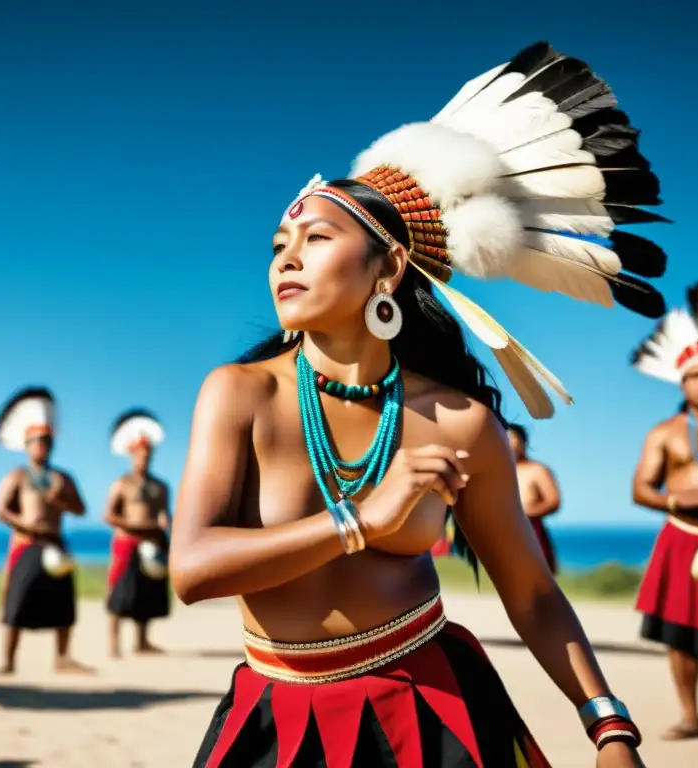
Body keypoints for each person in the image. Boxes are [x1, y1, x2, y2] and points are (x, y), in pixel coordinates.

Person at [172, 42, 666, 768]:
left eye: (317, 238)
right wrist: (362, 520)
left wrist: (609, 725)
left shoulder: (463, 423)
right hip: (278, 715)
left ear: (389, 268)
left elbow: (530, 594)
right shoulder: (240, 393)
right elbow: (192, 569)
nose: (287, 257)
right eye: (281, 244)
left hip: (431, 709)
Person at [631, 281, 698, 741]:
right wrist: (680, 499)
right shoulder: (664, 432)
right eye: (696, 375)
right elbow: (640, 489)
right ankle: (690, 715)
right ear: (682, 380)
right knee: (680, 633)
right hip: (681, 539)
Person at [0, 386, 93, 675]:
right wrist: (25, 525)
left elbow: (80, 509)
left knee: (63, 605)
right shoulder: (18, 476)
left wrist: (61, 500)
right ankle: (9, 661)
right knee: (17, 603)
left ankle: (63, 658)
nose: (42, 446)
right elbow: (0, 510)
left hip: (56, 545)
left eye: (47, 441)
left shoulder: (62, 478)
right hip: (27, 544)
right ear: (27, 444)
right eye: (37, 441)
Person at [104, 410, 171, 657]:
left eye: (147, 454)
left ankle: (142, 641)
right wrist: (130, 525)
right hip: (127, 542)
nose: (143, 458)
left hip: (151, 544)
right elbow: (109, 514)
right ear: (132, 455)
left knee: (147, 594)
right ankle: (114, 643)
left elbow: (165, 513)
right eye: (139, 454)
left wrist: (165, 527)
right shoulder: (121, 484)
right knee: (119, 595)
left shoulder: (160, 486)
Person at [508, 425, 562, 574]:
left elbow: (553, 501)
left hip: (531, 531)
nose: (509, 443)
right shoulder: (499, 471)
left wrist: (524, 513)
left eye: (513, 439)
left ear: (523, 442)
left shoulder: (537, 469)